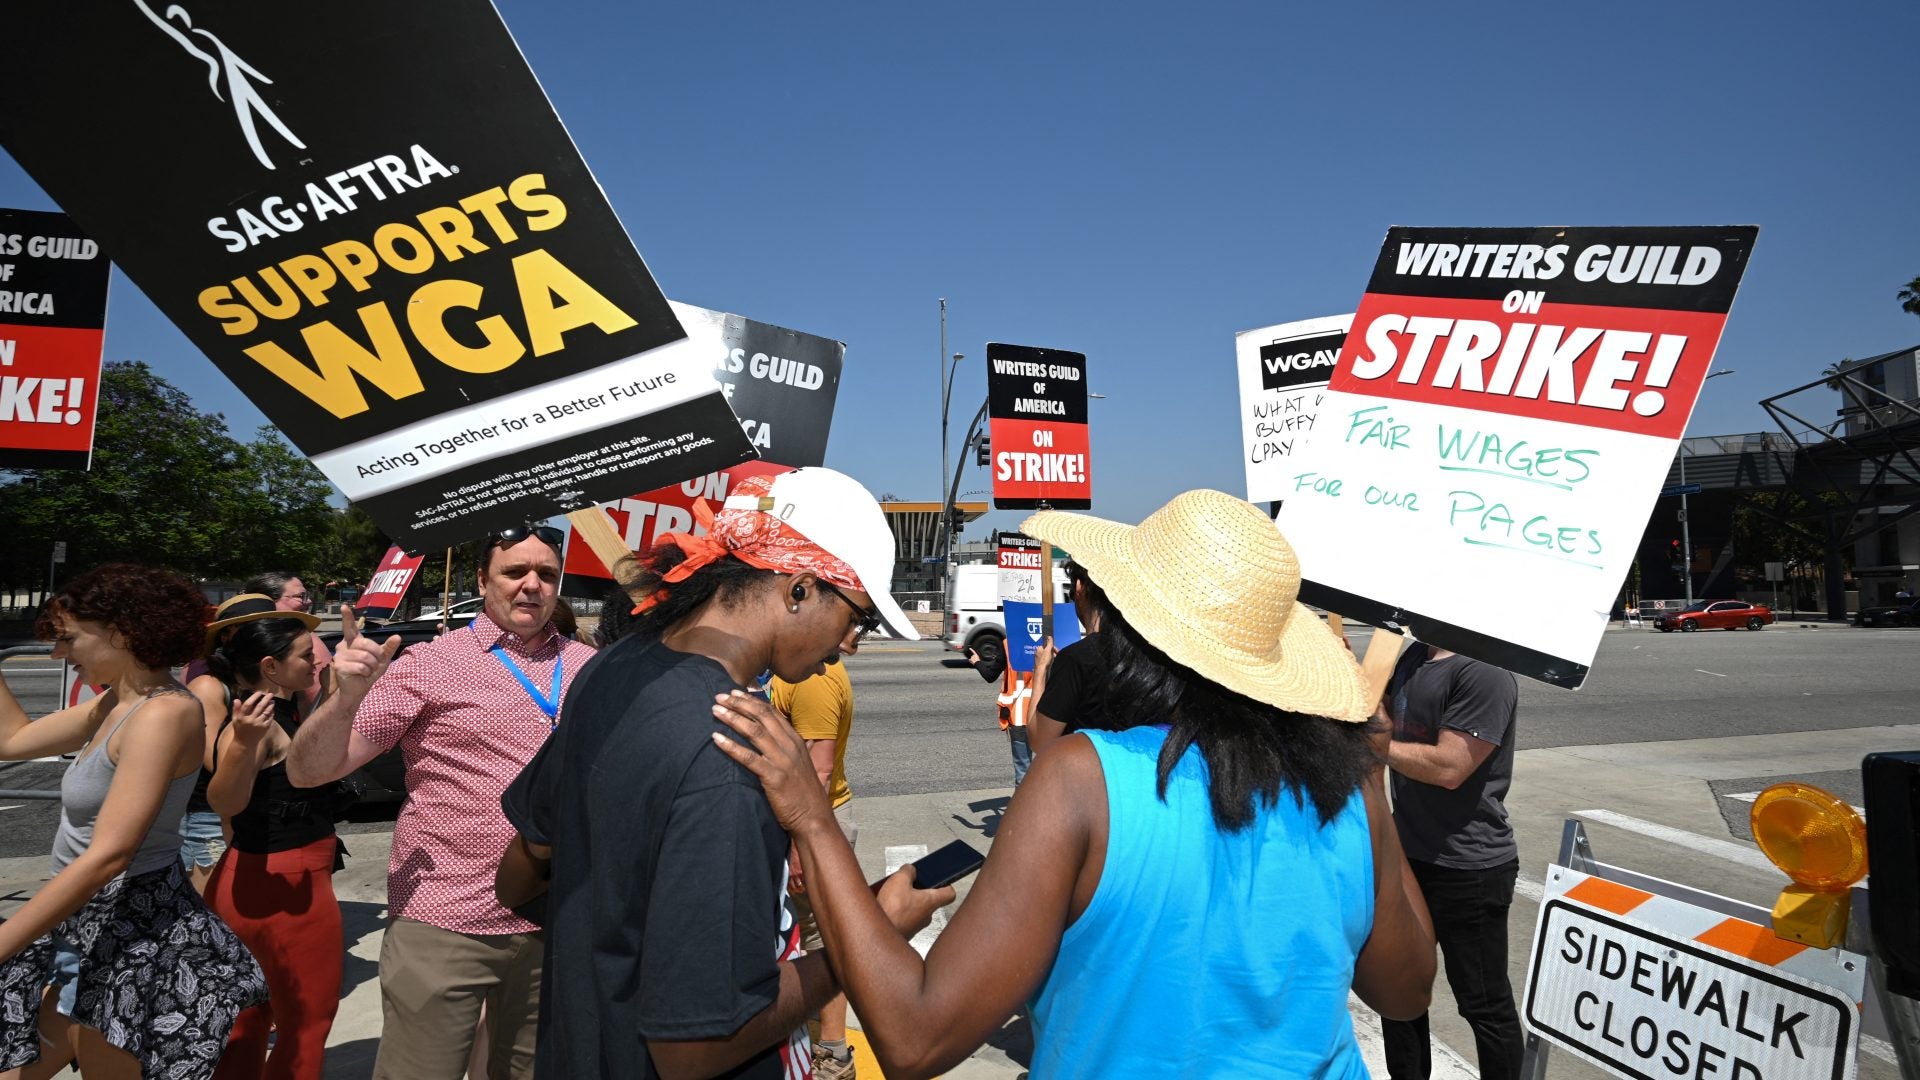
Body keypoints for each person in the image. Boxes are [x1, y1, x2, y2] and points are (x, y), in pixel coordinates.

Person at [710, 489, 1437, 1078]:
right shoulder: (1349, 790)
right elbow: (1405, 991)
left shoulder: (1085, 779)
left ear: (1128, 630)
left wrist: (812, 818)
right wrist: (1364, 775)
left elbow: (914, 1036)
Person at [494, 468, 947, 1079]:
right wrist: (863, 947)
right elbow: (696, 1048)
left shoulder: (614, 667)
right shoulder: (738, 753)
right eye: (856, 618)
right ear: (800, 589)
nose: (849, 644)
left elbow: (522, 872)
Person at [286, 524, 590, 1080]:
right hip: (443, 918)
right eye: (514, 571)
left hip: (553, 919)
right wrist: (343, 700)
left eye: (546, 574)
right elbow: (309, 772)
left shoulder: (587, 667)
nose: (531, 586)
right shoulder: (429, 663)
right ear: (481, 579)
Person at [0, 564, 267, 1079]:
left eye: (69, 639)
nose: (59, 654)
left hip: (128, 931)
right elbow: (11, 742)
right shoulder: (114, 704)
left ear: (122, 632)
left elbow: (110, 855)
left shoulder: (163, 713)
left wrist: (6, 941)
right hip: (80, 922)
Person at [203, 617, 351, 1080]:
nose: (315, 661)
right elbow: (224, 801)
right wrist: (244, 743)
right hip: (285, 888)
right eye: (307, 655)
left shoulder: (277, 711)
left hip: (259, 878)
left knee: (247, 1019)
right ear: (271, 666)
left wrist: (335, 691)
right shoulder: (256, 722)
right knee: (305, 1021)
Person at [1377, 642, 1524, 1080]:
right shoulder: (1413, 655)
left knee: (1482, 1003)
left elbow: (1450, 767)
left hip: (1469, 868)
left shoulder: (1485, 669)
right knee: (1398, 992)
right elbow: (1378, 715)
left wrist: (1377, 748)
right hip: (1408, 858)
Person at [182, 594, 323, 894]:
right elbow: (219, 763)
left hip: (255, 819)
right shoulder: (209, 685)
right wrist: (250, 741)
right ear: (228, 636)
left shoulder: (278, 691)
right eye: (258, 626)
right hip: (212, 820)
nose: (267, 633)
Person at [768, 661, 859, 1079]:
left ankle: (832, 1052)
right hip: (810, 826)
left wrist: (801, 846)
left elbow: (817, 771)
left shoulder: (813, 679)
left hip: (814, 826)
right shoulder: (796, 673)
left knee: (822, 938)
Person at [1027, 559, 1107, 756]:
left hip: (1089, 779)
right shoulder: (1145, 654)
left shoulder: (1075, 660)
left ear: (1080, 587)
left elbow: (1039, 740)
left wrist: (1040, 670)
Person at [244, 572, 333, 705]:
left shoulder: (304, 638)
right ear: (268, 601)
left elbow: (315, 697)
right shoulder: (302, 639)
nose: (308, 601)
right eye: (300, 596)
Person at [963, 638, 1038, 785]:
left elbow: (990, 675)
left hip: (1018, 713)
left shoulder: (1008, 643)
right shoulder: (1050, 639)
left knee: (1022, 771)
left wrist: (977, 661)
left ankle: (1024, 805)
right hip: (1044, 715)